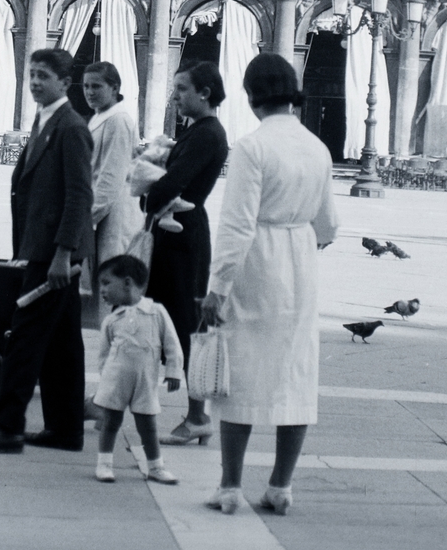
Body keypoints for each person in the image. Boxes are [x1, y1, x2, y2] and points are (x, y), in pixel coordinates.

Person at [199, 53, 338, 517]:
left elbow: (237, 226)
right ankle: (280, 486)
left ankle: (230, 485)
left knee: (240, 372)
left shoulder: (252, 147)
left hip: (257, 263)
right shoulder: (317, 148)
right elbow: (330, 225)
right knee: (295, 374)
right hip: (299, 264)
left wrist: (216, 288)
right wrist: (300, 244)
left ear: (251, 94)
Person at [0, 49, 94, 455]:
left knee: (25, 337)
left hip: (53, 254)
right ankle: (66, 428)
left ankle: (7, 426)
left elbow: (79, 196)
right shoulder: (46, 120)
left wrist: (62, 253)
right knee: (63, 344)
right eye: (32, 74)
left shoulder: (70, 127)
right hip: (43, 248)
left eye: (44, 76)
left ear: (64, 83)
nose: (35, 82)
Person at [144, 62, 229, 447]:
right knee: (165, 318)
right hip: (178, 233)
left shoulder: (207, 135)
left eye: (181, 89)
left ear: (204, 93)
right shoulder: (199, 132)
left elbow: (171, 185)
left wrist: (146, 189)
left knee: (184, 323)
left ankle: (197, 417)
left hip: (184, 237)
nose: (175, 96)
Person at [91, 254, 182, 486]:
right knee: (110, 422)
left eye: (106, 282)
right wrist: (105, 381)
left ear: (128, 283)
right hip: (116, 380)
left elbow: (172, 344)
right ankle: (104, 464)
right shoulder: (111, 320)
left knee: (148, 426)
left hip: (145, 381)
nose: (102, 290)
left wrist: (173, 370)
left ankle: (156, 467)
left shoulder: (156, 312)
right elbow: (103, 354)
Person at [83, 62, 139, 265]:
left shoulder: (118, 120)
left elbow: (111, 177)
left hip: (115, 214)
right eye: (86, 86)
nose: (89, 92)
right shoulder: (99, 117)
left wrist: (87, 219)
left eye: (96, 86)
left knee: (111, 277)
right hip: (101, 211)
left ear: (114, 88)